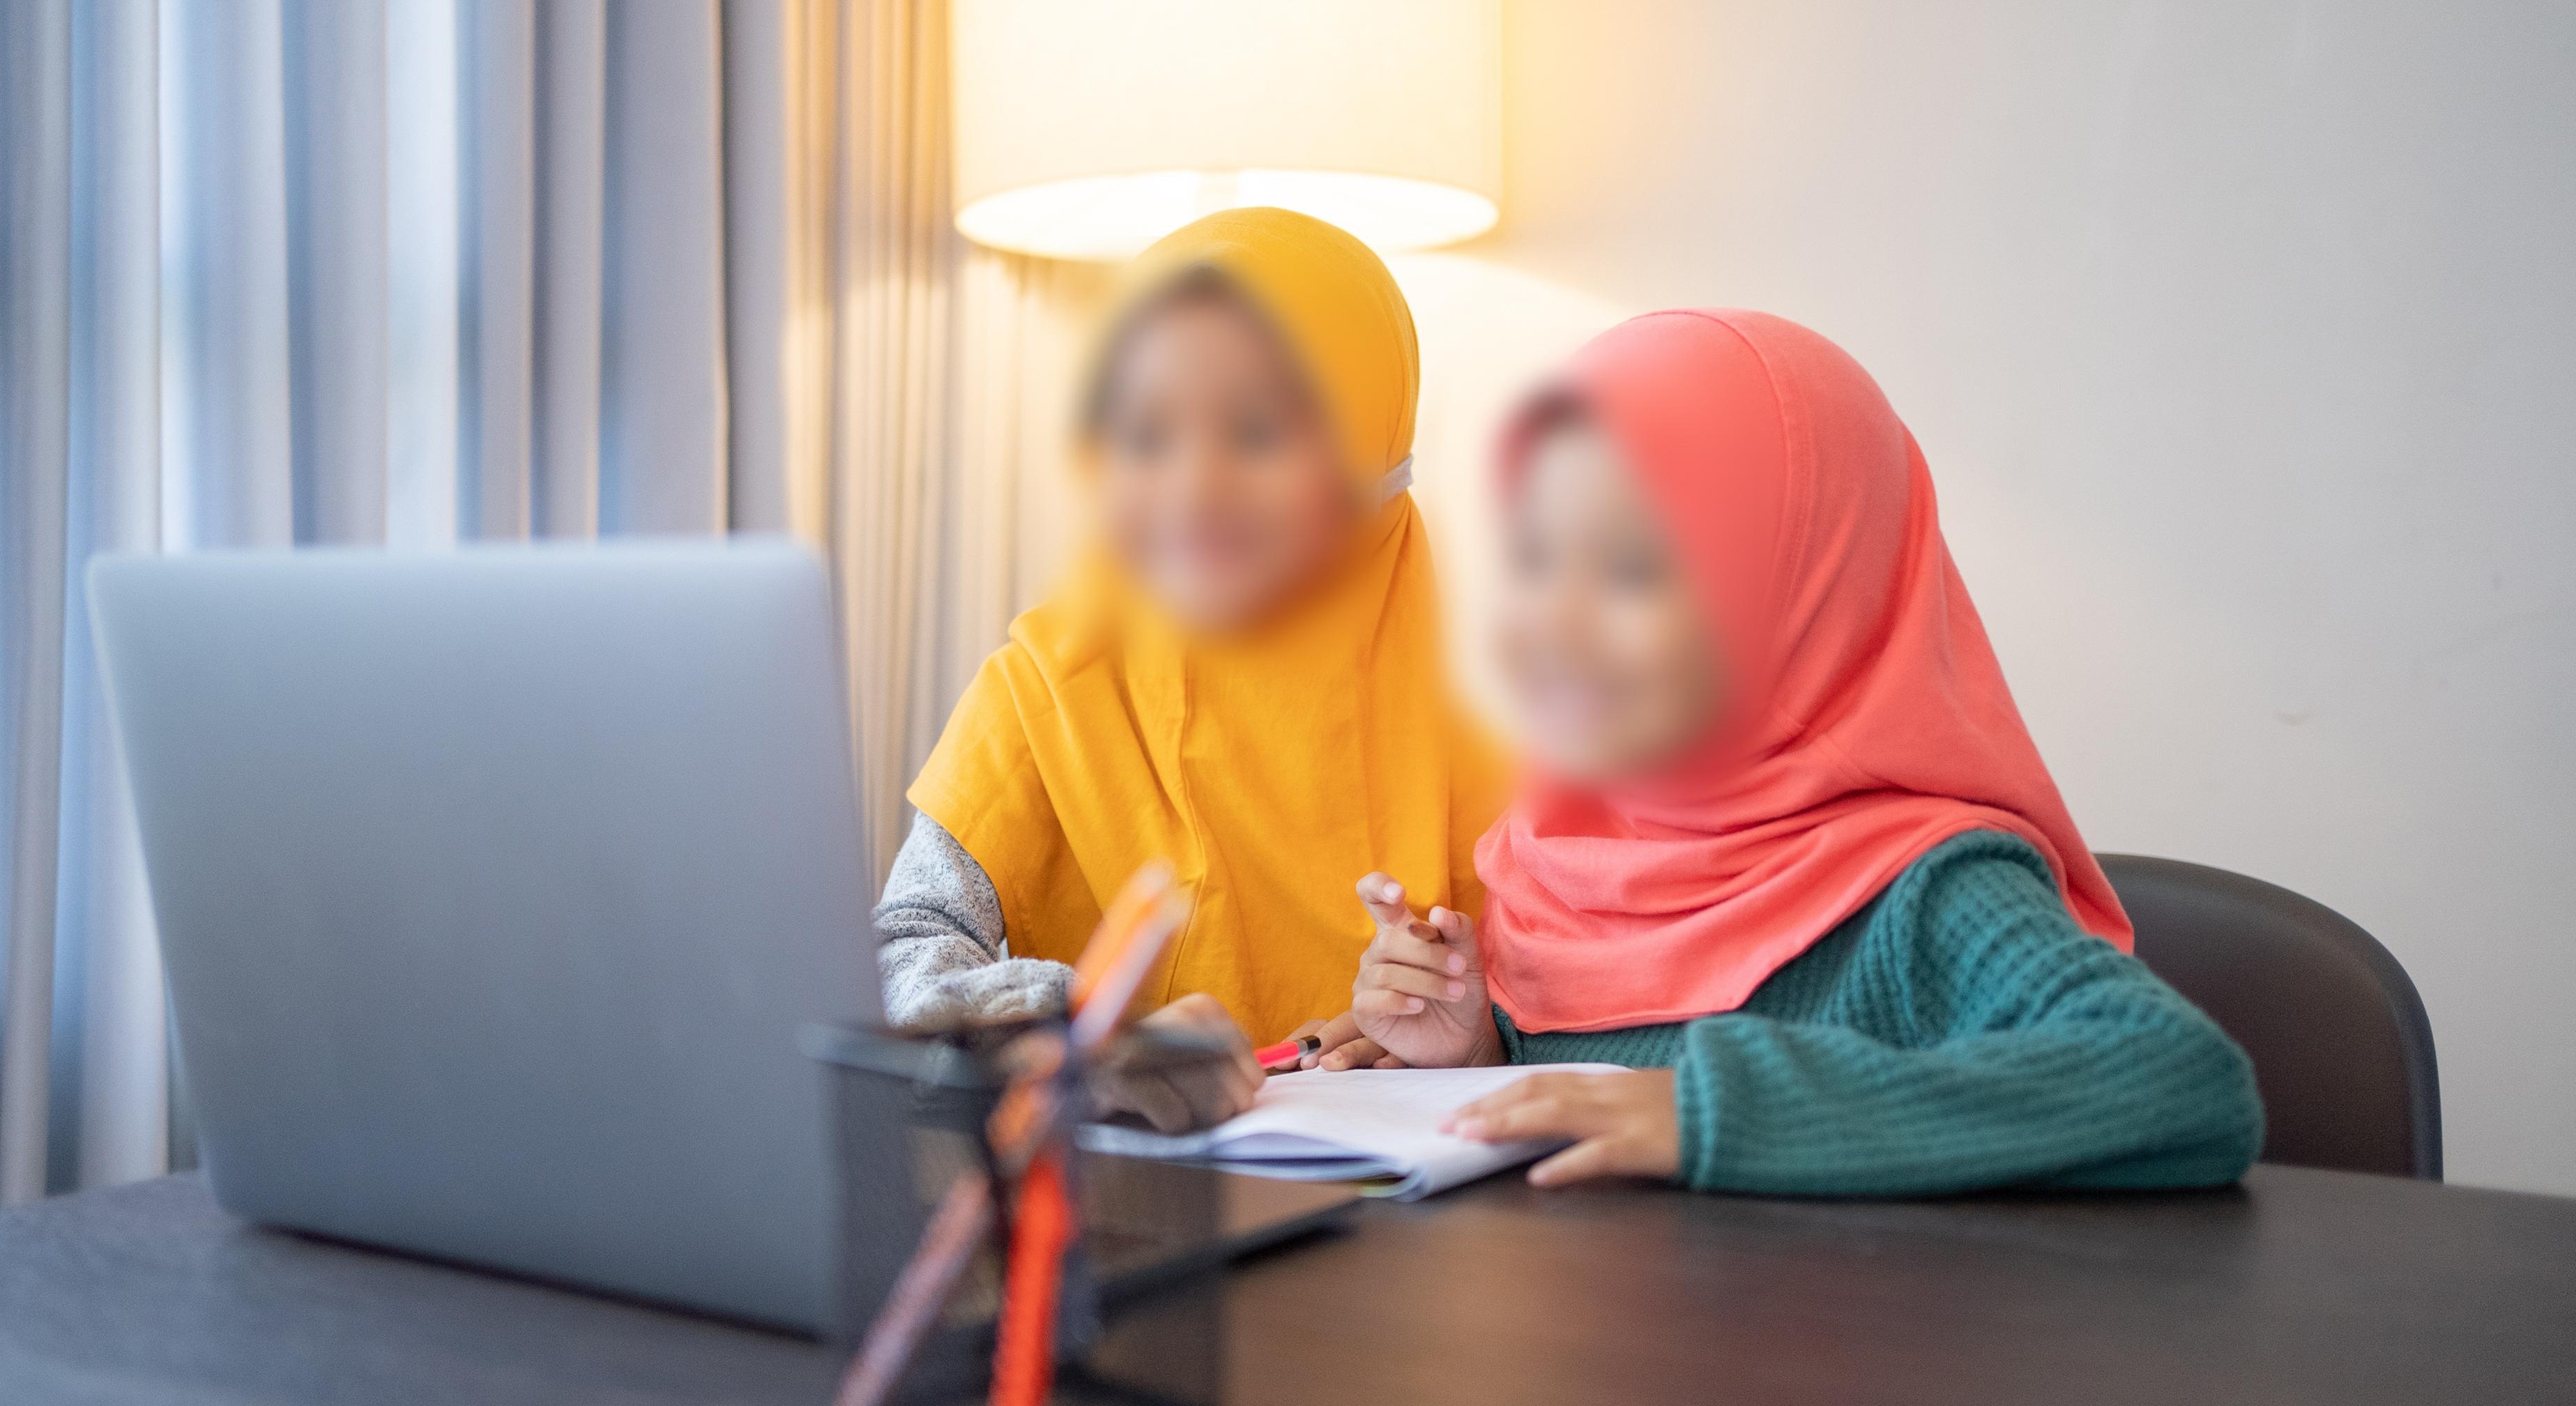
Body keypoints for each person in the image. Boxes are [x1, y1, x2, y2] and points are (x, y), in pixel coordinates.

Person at [1325, 310, 2264, 1193]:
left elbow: (2180, 1078)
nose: (1554, 622)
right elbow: (1599, 1122)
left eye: (1632, 568)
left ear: (1810, 595)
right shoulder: (1555, 863)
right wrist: (1475, 1054)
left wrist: (1722, 1111)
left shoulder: (1924, 891)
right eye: (1532, 558)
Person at [876, 207, 1503, 1124]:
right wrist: (1089, 1031)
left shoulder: (1499, 709)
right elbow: (905, 953)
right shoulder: (1048, 684)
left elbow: (1579, 1024)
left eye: (1256, 432)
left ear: (1374, 452)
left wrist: (1474, 1040)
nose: (1193, 486)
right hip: (1121, 1212)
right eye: (1150, 433)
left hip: (1406, 1217)